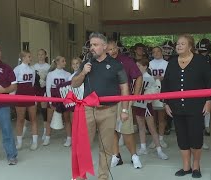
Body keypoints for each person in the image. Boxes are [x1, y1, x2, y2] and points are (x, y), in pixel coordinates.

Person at [71, 32, 130, 180]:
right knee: (83, 146)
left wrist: (124, 109)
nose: (92, 48)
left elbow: (124, 88)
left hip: (108, 110)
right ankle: (80, 176)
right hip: (88, 110)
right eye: (91, 45)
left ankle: (103, 177)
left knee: (106, 147)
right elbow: (74, 83)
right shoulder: (86, 63)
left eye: (95, 45)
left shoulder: (116, 65)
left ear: (104, 47)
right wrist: (83, 73)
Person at [161, 34, 211, 178]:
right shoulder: (172, 62)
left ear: (190, 46)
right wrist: (166, 102)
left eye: (182, 44)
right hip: (176, 107)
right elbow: (165, 84)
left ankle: (196, 166)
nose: (178, 46)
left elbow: (210, 82)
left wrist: (208, 101)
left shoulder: (201, 61)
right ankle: (186, 167)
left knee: (196, 137)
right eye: (177, 44)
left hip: (196, 106)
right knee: (182, 138)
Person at [106, 40, 143, 169]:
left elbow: (138, 76)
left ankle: (134, 156)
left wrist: (136, 95)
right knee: (111, 130)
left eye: (115, 48)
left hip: (123, 101)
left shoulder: (126, 60)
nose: (113, 51)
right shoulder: (101, 62)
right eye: (110, 49)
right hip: (107, 101)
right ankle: (116, 156)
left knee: (127, 131)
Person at [134, 58, 168, 160]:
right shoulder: (136, 77)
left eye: (139, 66)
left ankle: (159, 150)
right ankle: (143, 147)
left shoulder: (149, 78)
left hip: (146, 104)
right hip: (138, 103)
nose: (137, 68)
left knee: (152, 128)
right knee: (141, 126)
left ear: (145, 67)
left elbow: (155, 91)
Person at [13, 50, 38, 150]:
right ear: (23, 58)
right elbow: (13, 84)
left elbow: (32, 83)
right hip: (20, 94)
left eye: (30, 56)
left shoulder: (32, 69)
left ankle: (35, 141)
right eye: (28, 56)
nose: (30, 58)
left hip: (30, 94)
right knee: (20, 119)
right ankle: (19, 142)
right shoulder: (17, 69)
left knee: (33, 118)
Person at [45, 56, 72, 146]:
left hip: (64, 97)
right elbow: (48, 88)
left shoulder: (68, 74)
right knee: (49, 118)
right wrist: (50, 102)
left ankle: (69, 138)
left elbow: (69, 88)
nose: (65, 62)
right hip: (53, 96)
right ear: (57, 62)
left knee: (67, 118)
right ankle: (47, 137)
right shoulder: (51, 74)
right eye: (63, 61)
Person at [148, 46, 169, 148]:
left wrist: (162, 78)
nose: (156, 53)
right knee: (152, 118)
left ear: (161, 52)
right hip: (151, 92)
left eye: (158, 51)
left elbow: (170, 77)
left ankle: (161, 139)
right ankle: (154, 139)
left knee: (161, 117)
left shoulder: (166, 64)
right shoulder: (149, 64)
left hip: (162, 91)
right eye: (154, 52)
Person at [33, 49, 50, 141]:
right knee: (32, 111)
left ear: (45, 55)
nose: (40, 56)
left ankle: (44, 131)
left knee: (44, 111)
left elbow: (50, 79)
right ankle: (32, 131)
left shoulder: (49, 67)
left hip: (44, 90)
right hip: (35, 90)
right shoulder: (33, 67)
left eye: (42, 54)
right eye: (39, 54)